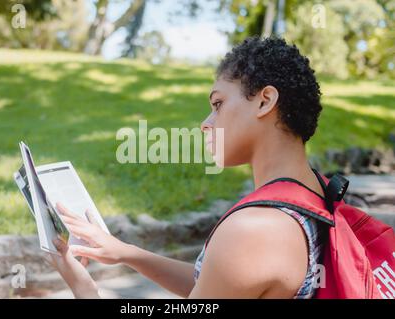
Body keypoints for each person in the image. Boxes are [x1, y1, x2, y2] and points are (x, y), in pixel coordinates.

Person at [48, 36, 327, 299]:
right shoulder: (316, 194)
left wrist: (84, 289)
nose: (206, 123)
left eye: (218, 104)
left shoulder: (253, 230)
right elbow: (213, 283)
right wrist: (126, 253)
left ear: (265, 101)